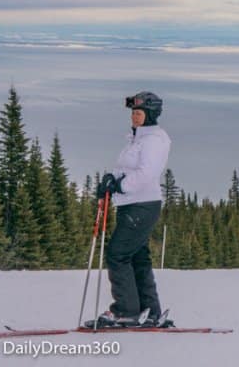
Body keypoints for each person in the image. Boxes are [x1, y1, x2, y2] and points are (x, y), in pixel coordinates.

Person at [90, 92, 172, 327]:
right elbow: (126, 168)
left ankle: (126, 310)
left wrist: (120, 185)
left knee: (118, 254)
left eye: (139, 113)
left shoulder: (154, 139)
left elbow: (147, 174)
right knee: (137, 257)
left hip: (142, 205)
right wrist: (110, 180)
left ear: (151, 114)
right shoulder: (137, 138)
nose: (134, 117)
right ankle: (150, 311)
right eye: (133, 113)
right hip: (131, 205)